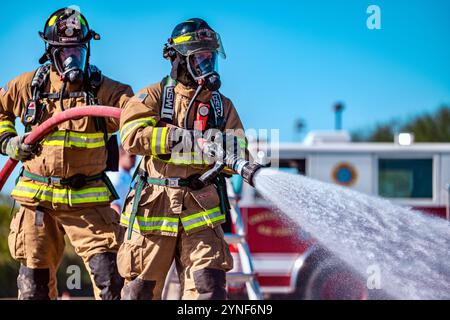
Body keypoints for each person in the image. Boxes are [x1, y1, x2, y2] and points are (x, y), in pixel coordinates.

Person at [0, 7, 133, 300]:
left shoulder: (107, 91)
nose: (72, 57)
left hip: (88, 201)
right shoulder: (26, 87)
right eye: (64, 51)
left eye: (78, 49)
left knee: (112, 281)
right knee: (33, 286)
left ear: (87, 48)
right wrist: (8, 141)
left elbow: (137, 115)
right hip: (37, 201)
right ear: (50, 52)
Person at [117, 18, 248, 300]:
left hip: (201, 216)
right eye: (200, 57)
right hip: (153, 211)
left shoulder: (221, 106)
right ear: (179, 60)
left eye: (210, 57)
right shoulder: (151, 95)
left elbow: (239, 148)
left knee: (208, 293)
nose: (207, 65)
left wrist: (227, 153)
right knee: (139, 293)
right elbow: (129, 135)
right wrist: (173, 138)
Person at [107, 145, 137, 214]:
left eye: (135, 156)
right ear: (121, 155)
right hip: (120, 221)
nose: (134, 159)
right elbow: (113, 205)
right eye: (132, 156)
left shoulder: (129, 178)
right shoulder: (114, 177)